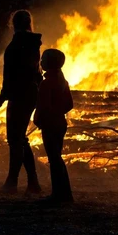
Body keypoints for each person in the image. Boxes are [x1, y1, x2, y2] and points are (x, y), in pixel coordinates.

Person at [0, 9, 42, 194]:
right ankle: (32, 182)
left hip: (18, 95)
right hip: (29, 94)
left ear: (13, 24)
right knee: (20, 138)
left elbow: (11, 74)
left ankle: (13, 181)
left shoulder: (17, 44)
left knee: (15, 139)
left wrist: (4, 95)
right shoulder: (33, 43)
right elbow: (34, 73)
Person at [33, 49, 74, 203]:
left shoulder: (46, 83)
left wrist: (41, 119)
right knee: (57, 158)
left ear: (48, 63)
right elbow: (69, 104)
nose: (41, 61)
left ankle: (59, 195)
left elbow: (42, 106)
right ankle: (64, 194)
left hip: (50, 125)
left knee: (54, 159)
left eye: (43, 59)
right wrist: (58, 113)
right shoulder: (63, 81)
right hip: (60, 123)